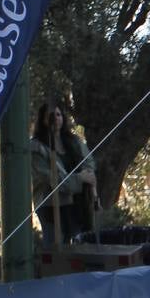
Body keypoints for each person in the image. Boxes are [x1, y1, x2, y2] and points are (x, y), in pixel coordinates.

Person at [30, 101, 96, 244]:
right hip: (50, 206)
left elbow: (89, 163)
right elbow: (55, 180)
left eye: (59, 115)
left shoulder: (74, 141)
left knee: (79, 246)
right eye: (51, 116)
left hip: (77, 204)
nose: (56, 118)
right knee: (55, 248)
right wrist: (80, 179)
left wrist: (87, 174)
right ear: (43, 119)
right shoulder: (36, 147)